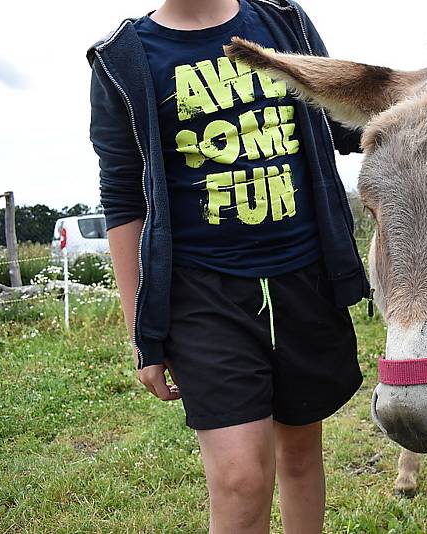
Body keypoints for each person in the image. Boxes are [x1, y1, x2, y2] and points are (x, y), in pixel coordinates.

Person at [88, 1, 369, 532]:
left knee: (301, 456)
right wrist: (141, 331)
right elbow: (123, 198)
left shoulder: (280, 21)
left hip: (303, 275)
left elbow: (340, 117)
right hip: (202, 292)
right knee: (241, 478)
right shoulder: (122, 58)